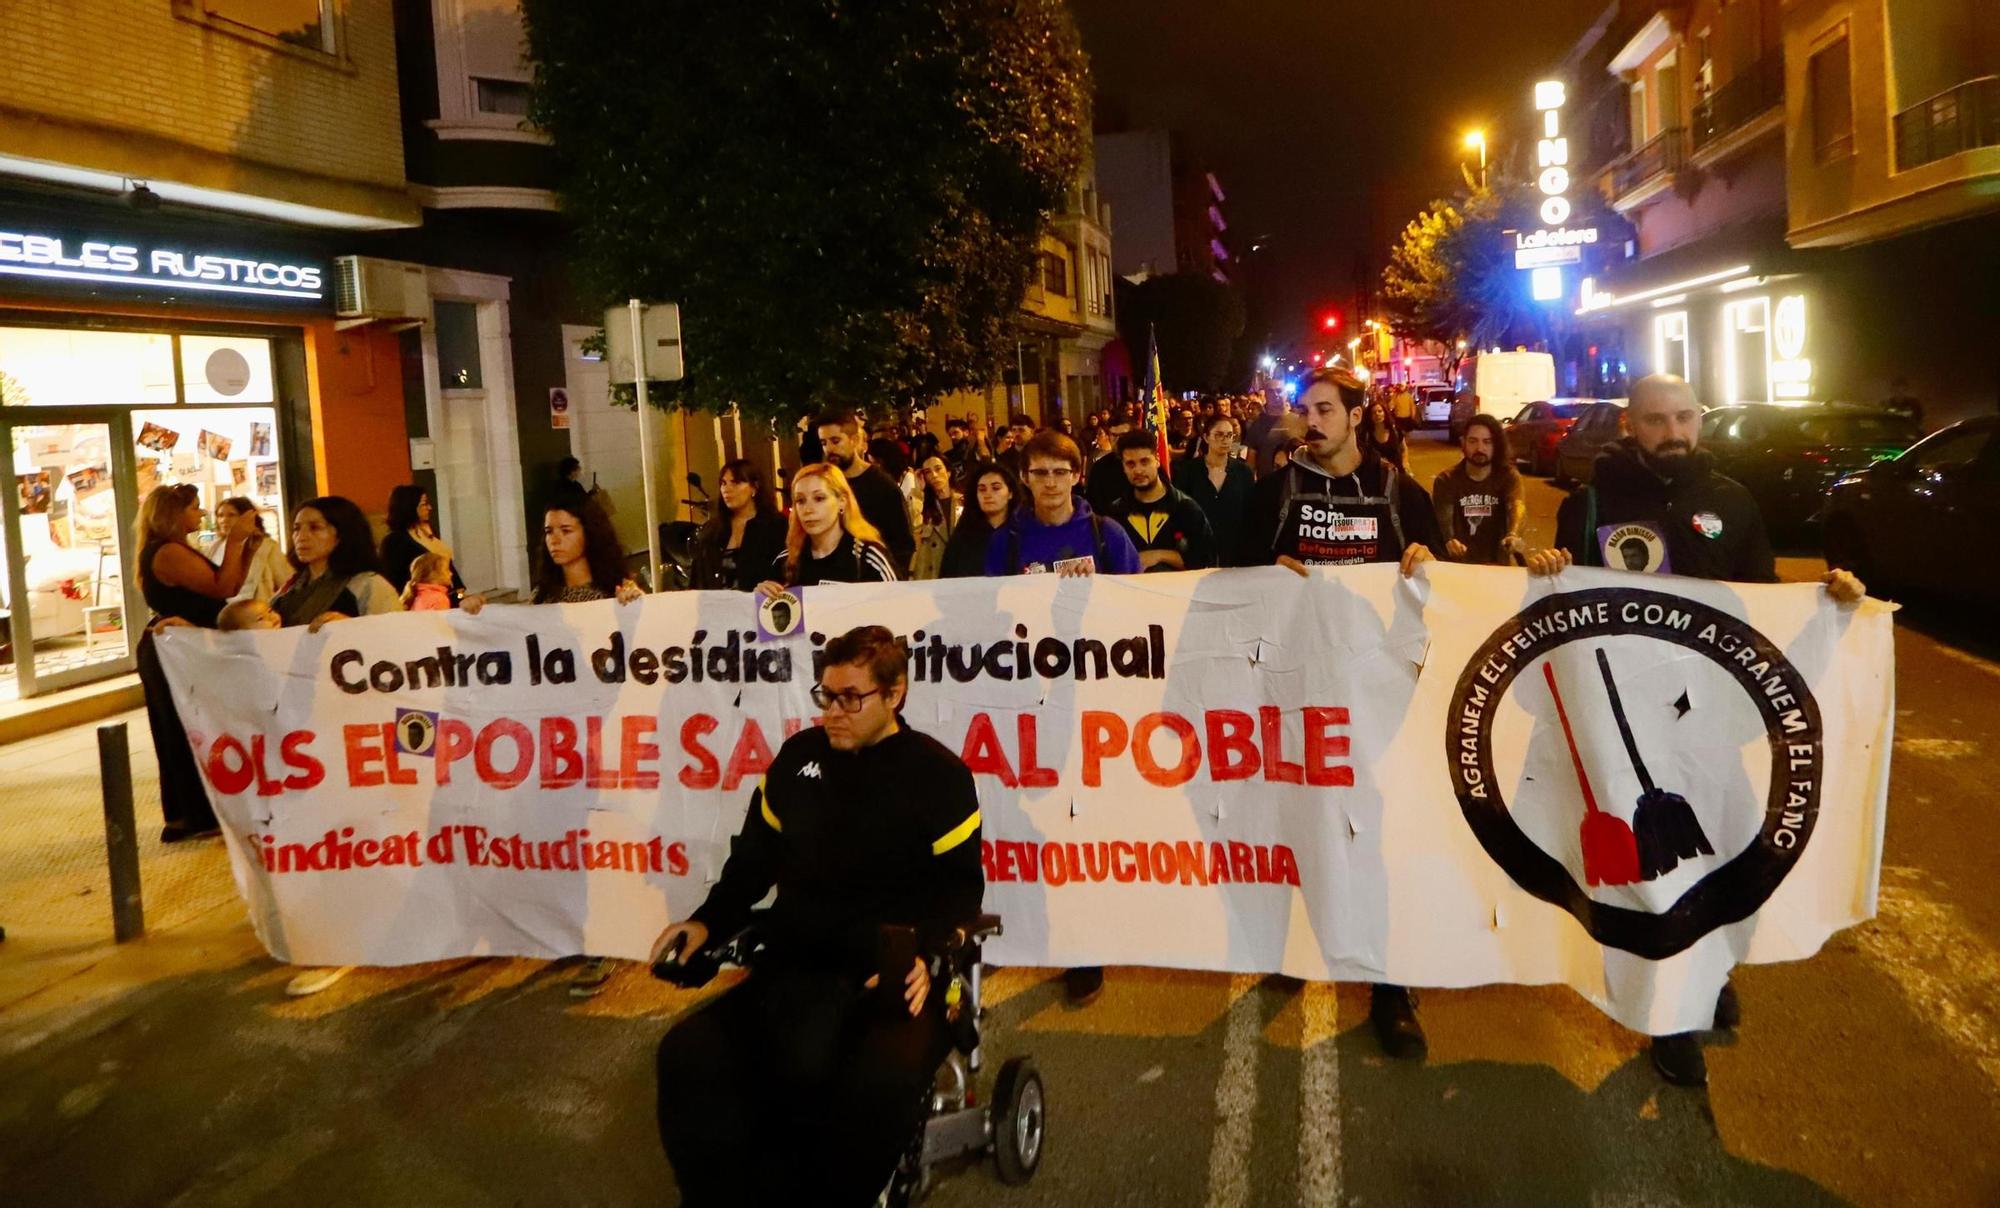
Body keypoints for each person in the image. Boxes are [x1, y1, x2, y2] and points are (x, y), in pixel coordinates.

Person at [1522, 373, 1867, 1087]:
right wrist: (1546, 568)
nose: (1672, 432)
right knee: (1654, 869)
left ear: (1700, 420)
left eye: (1683, 418)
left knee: (1715, 855)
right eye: (1655, 421)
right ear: (1629, 425)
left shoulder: (1732, 501)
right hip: (1626, 723)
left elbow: (1764, 599)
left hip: (1710, 718)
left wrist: (1829, 600)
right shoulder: (1590, 502)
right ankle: (1672, 1014)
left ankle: (1707, 969)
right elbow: (1564, 603)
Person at [651, 624, 981, 1206]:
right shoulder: (797, 760)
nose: (833, 711)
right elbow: (751, 865)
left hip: (891, 980)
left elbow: (960, 893)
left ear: (895, 694)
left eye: (851, 698)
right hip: (798, 970)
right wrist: (704, 922)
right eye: (826, 695)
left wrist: (929, 955)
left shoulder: (940, 778)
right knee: (687, 1056)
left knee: (862, 1084)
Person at [1239, 367, 1444, 1059]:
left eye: (1325, 409)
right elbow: (1228, 573)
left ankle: (1391, 985)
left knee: (1377, 835)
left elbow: (1444, 577)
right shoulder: (1276, 491)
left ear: (1357, 416)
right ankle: (1299, 948)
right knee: (1296, 819)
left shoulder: (1396, 492)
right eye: (1305, 412)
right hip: (1294, 693)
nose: (1311, 422)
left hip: (1375, 701)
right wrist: (1271, 563)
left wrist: (1427, 560)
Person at [135, 483, 256, 843]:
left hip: (185, 644)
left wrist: (247, 545)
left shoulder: (175, 549)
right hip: (173, 646)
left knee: (191, 725)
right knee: (181, 729)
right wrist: (234, 542)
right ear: (173, 514)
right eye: (194, 508)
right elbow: (220, 587)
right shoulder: (168, 552)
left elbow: (230, 585)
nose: (201, 514)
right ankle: (192, 815)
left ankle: (195, 812)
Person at [984, 430, 1142, 579]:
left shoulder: (1108, 534)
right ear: (1024, 477)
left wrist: (1097, 588)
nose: (1050, 483)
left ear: (1075, 476)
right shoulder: (1005, 541)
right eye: (1040, 473)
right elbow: (991, 603)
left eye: (1060, 472)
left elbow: (1134, 597)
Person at [759, 463, 900, 594]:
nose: (808, 509)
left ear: (842, 502)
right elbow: (768, 616)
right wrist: (760, 597)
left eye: (819, 498)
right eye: (800, 501)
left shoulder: (868, 558)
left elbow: (899, 605)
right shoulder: (786, 561)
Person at [270, 496, 403, 630]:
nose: (301, 537)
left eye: (315, 528)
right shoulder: (288, 590)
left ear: (342, 534)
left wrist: (351, 627)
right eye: (296, 529)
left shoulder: (368, 585)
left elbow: (394, 636)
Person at [814, 410, 916, 574]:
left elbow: (902, 546)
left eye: (835, 441)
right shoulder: (823, 484)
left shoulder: (883, 486)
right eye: (824, 443)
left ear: (854, 440)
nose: (829, 449)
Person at [1105, 431, 1215, 573]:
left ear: (1157, 460)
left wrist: (1159, 555)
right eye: (1131, 464)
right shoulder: (1116, 513)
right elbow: (1108, 563)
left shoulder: (1185, 508)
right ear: (1123, 467)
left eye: (1144, 461)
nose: (1138, 470)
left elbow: (1206, 561)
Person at [1431, 415, 1527, 565]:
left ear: (1496, 445)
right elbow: (1443, 517)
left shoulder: (1508, 477)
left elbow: (1516, 505)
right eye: (1473, 441)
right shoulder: (1447, 480)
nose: (1480, 448)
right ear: (1463, 443)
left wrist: (1513, 535)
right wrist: (1449, 540)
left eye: (1487, 442)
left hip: (1496, 566)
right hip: (1459, 567)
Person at [691, 459, 787, 592]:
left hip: (759, 606)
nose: (726, 489)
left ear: (754, 487)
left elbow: (786, 573)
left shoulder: (776, 526)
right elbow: (698, 579)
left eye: (735, 482)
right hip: (716, 608)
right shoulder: (711, 530)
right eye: (723, 483)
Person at [1173, 412, 1256, 565]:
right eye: (1219, 435)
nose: (1225, 440)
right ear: (1206, 437)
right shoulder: (1188, 471)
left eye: (1229, 435)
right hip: (1198, 553)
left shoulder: (1244, 472)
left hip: (1234, 555)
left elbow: (1250, 514)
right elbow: (1180, 511)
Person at [379, 484, 465, 598]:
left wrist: (460, 595)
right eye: (424, 504)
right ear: (409, 507)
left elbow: (448, 564)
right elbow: (394, 582)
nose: (429, 508)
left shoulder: (427, 531)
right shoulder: (394, 541)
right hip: (425, 603)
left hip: (449, 596)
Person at [938, 461, 1020, 579]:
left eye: (996, 488)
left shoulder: (1023, 532)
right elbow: (947, 580)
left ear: (1010, 493)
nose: (988, 494)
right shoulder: (963, 537)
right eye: (982, 489)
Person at [213, 497, 288, 602]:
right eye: (220, 515)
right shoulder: (213, 548)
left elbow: (286, 583)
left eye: (231, 515)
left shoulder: (267, 547)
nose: (224, 520)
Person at [907, 455, 961, 581]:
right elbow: (914, 528)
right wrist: (918, 490)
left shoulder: (964, 502)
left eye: (938, 469)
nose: (934, 475)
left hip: (959, 571)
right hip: (932, 572)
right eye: (928, 472)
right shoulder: (921, 504)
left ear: (948, 472)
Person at [1244, 390, 1306, 477]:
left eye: (1279, 390)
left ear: (1286, 393)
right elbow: (1251, 461)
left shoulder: (1301, 421)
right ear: (1266, 395)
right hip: (1266, 484)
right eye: (1271, 391)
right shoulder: (1258, 424)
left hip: (1296, 485)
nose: (1275, 394)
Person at [1084, 414, 1135, 513]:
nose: (1119, 440)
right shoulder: (1100, 468)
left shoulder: (1146, 464)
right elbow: (1093, 507)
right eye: (1114, 435)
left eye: (1123, 435)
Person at [1362, 396, 1406, 469]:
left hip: (1397, 472)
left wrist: (1405, 463)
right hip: (1376, 474)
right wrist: (1380, 462)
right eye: (1373, 413)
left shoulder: (1395, 430)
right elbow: (1363, 456)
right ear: (1369, 416)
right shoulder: (1366, 435)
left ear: (1384, 413)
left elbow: (1404, 449)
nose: (1377, 414)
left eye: (1380, 411)